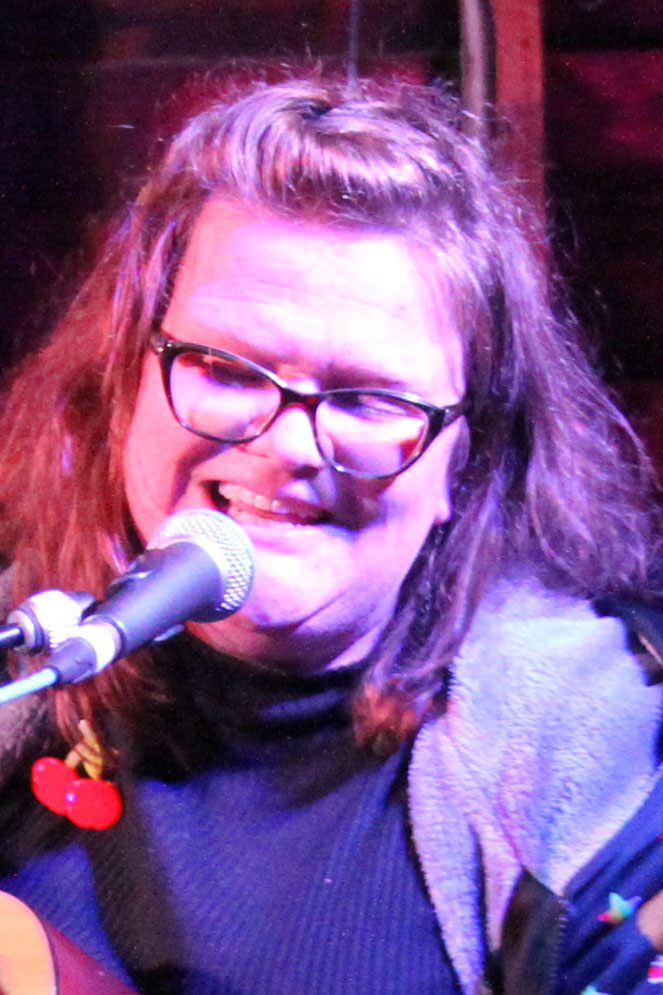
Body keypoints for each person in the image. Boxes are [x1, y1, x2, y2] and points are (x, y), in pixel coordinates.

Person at [0, 76, 662, 995]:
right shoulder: (21, 669)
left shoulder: (598, 765)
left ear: (467, 461)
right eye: (227, 369)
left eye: (367, 400)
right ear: (125, 384)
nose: (286, 445)